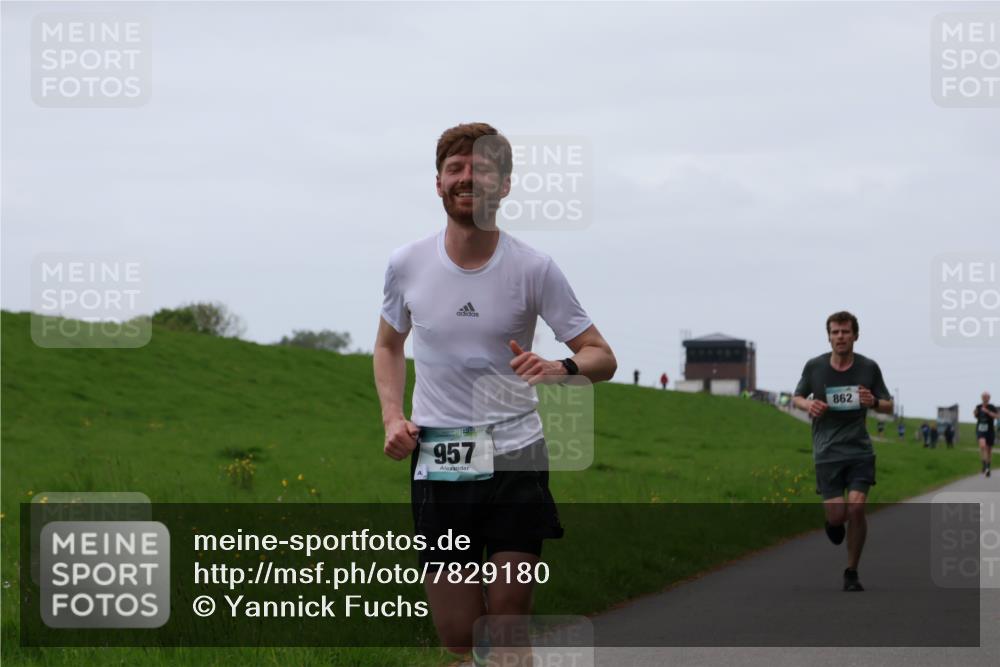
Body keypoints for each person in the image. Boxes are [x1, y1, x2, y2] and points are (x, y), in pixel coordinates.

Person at [373, 123, 617, 663]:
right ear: (438, 182)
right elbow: (388, 346)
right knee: (460, 636)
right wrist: (393, 417)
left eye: (482, 169)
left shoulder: (533, 268)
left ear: (504, 185)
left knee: (507, 620)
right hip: (441, 457)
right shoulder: (406, 264)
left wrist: (560, 366)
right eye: (455, 168)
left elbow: (601, 356)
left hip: (515, 454)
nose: (468, 178)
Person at [793, 311, 893, 592]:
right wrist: (808, 405)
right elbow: (797, 396)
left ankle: (851, 571)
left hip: (860, 450)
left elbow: (888, 405)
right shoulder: (815, 367)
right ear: (829, 337)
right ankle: (833, 523)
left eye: (845, 332)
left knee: (857, 508)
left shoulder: (868, 368)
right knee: (838, 516)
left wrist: (873, 402)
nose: (840, 337)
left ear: (855, 336)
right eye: (835, 332)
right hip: (827, 452)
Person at [974, 392, 998, 477]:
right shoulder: (978, 406)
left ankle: (988, 467)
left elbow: (996, 416)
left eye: (986, 397)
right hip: (980, 429)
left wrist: (987, 411)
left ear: (989, 398)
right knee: (982, 446)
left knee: (989, 450)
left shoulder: (992, 407)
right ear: (981, 398)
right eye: (983, 397)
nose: (985, 398)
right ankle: (984, 464)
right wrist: (975, 412)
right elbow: (975, 415)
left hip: (990, 430)